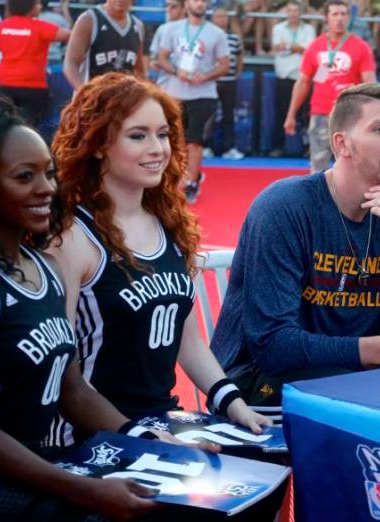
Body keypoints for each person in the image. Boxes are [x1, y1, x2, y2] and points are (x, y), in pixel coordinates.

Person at [0, 98, 160, 521]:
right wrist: (84, 491)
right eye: (24, 177)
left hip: (41, 464)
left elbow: (73, 390)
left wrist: (142, 438)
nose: (46, 188)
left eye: (48, 172)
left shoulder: (44, 266)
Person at [48, 74, 269, 440]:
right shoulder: (71, 237)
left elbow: (188, 340)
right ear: (100, 144)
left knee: (268, 474)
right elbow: (59, 369)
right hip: (91, 433)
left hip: (161, 420)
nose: (157, 149)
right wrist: (136, 435)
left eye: (163, 134)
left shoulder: (168, 223)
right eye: (138, 136)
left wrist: (234, 403)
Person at [212, 83, 380, 406]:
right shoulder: (285, 207)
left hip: (349, 375)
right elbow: (273, 346)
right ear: (342, 144)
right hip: (259, 385)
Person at [283, 0, 377, 174]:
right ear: (326, 18)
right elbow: (303, 82)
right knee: (318, 164)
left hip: (351, 114)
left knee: (355, 164)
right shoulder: (315, 46)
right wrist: (291, 114)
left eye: (343, 14)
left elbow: (370, 83)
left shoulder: (361, 47)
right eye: (335, 14)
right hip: (320, 112)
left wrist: (373, 113)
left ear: (349, 17)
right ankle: (319, 199)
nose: (340, 18)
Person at [156, 0, 231, 204]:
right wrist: (176, 70)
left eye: (203, 1)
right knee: (174, 139)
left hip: (203, 93)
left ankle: (191, 183)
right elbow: (161, 58)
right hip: (175, 92)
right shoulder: (171, 29)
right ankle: (173, 179)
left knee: (195, 141)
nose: (200, 4)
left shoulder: (217, 33)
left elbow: (225, 65)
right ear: (186, 4)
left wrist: (205, 76)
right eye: (195, 0)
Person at [0, 0, 69, 128]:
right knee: (29, 126)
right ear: (30, 7)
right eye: (37, 3)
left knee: (6, 124)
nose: (40, 6)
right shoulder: (40, 26)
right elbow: (70, 35)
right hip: (33, 86)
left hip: (6, 84)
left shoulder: (2, 26)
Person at [63, 0, 147, 91]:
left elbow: (139, 71)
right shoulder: (89, 20)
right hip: (93, 96)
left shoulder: (138, 26)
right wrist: (84, 91)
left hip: (124, 99)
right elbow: (70, 63)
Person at [270, 0, 315, 158]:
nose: (293, 14)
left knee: (306, 114)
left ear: (301, 13)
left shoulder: (309, 28)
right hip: (284, 76)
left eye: (296, 11)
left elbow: (309, 50)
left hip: (303, 77)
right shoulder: (278, 28)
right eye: (290, 10)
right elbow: (277, 47)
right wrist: (298, 47)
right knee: (281, 113)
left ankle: (308, 147)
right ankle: (278, 146)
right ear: (286, 12)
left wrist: (288, 46)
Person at [211, 6, 245, 160]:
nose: (221, 19)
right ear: (213, 19)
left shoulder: (234, 37)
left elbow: (239, 56)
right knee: (208, 116)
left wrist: (237, 73)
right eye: (218, 16)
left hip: (230, 81)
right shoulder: (208, 36)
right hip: (211, 82)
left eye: (224, 16)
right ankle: (206, 146)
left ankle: (228, 148)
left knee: (228, 116)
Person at [149, 0, 185, 91]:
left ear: (184, 9)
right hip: (166, 83)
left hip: (189, 82)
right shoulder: (162, 29)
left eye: (173, 6)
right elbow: (153, 57)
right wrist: (154, 62)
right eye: (167, 6)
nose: (169, 9)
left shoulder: (193, 28)